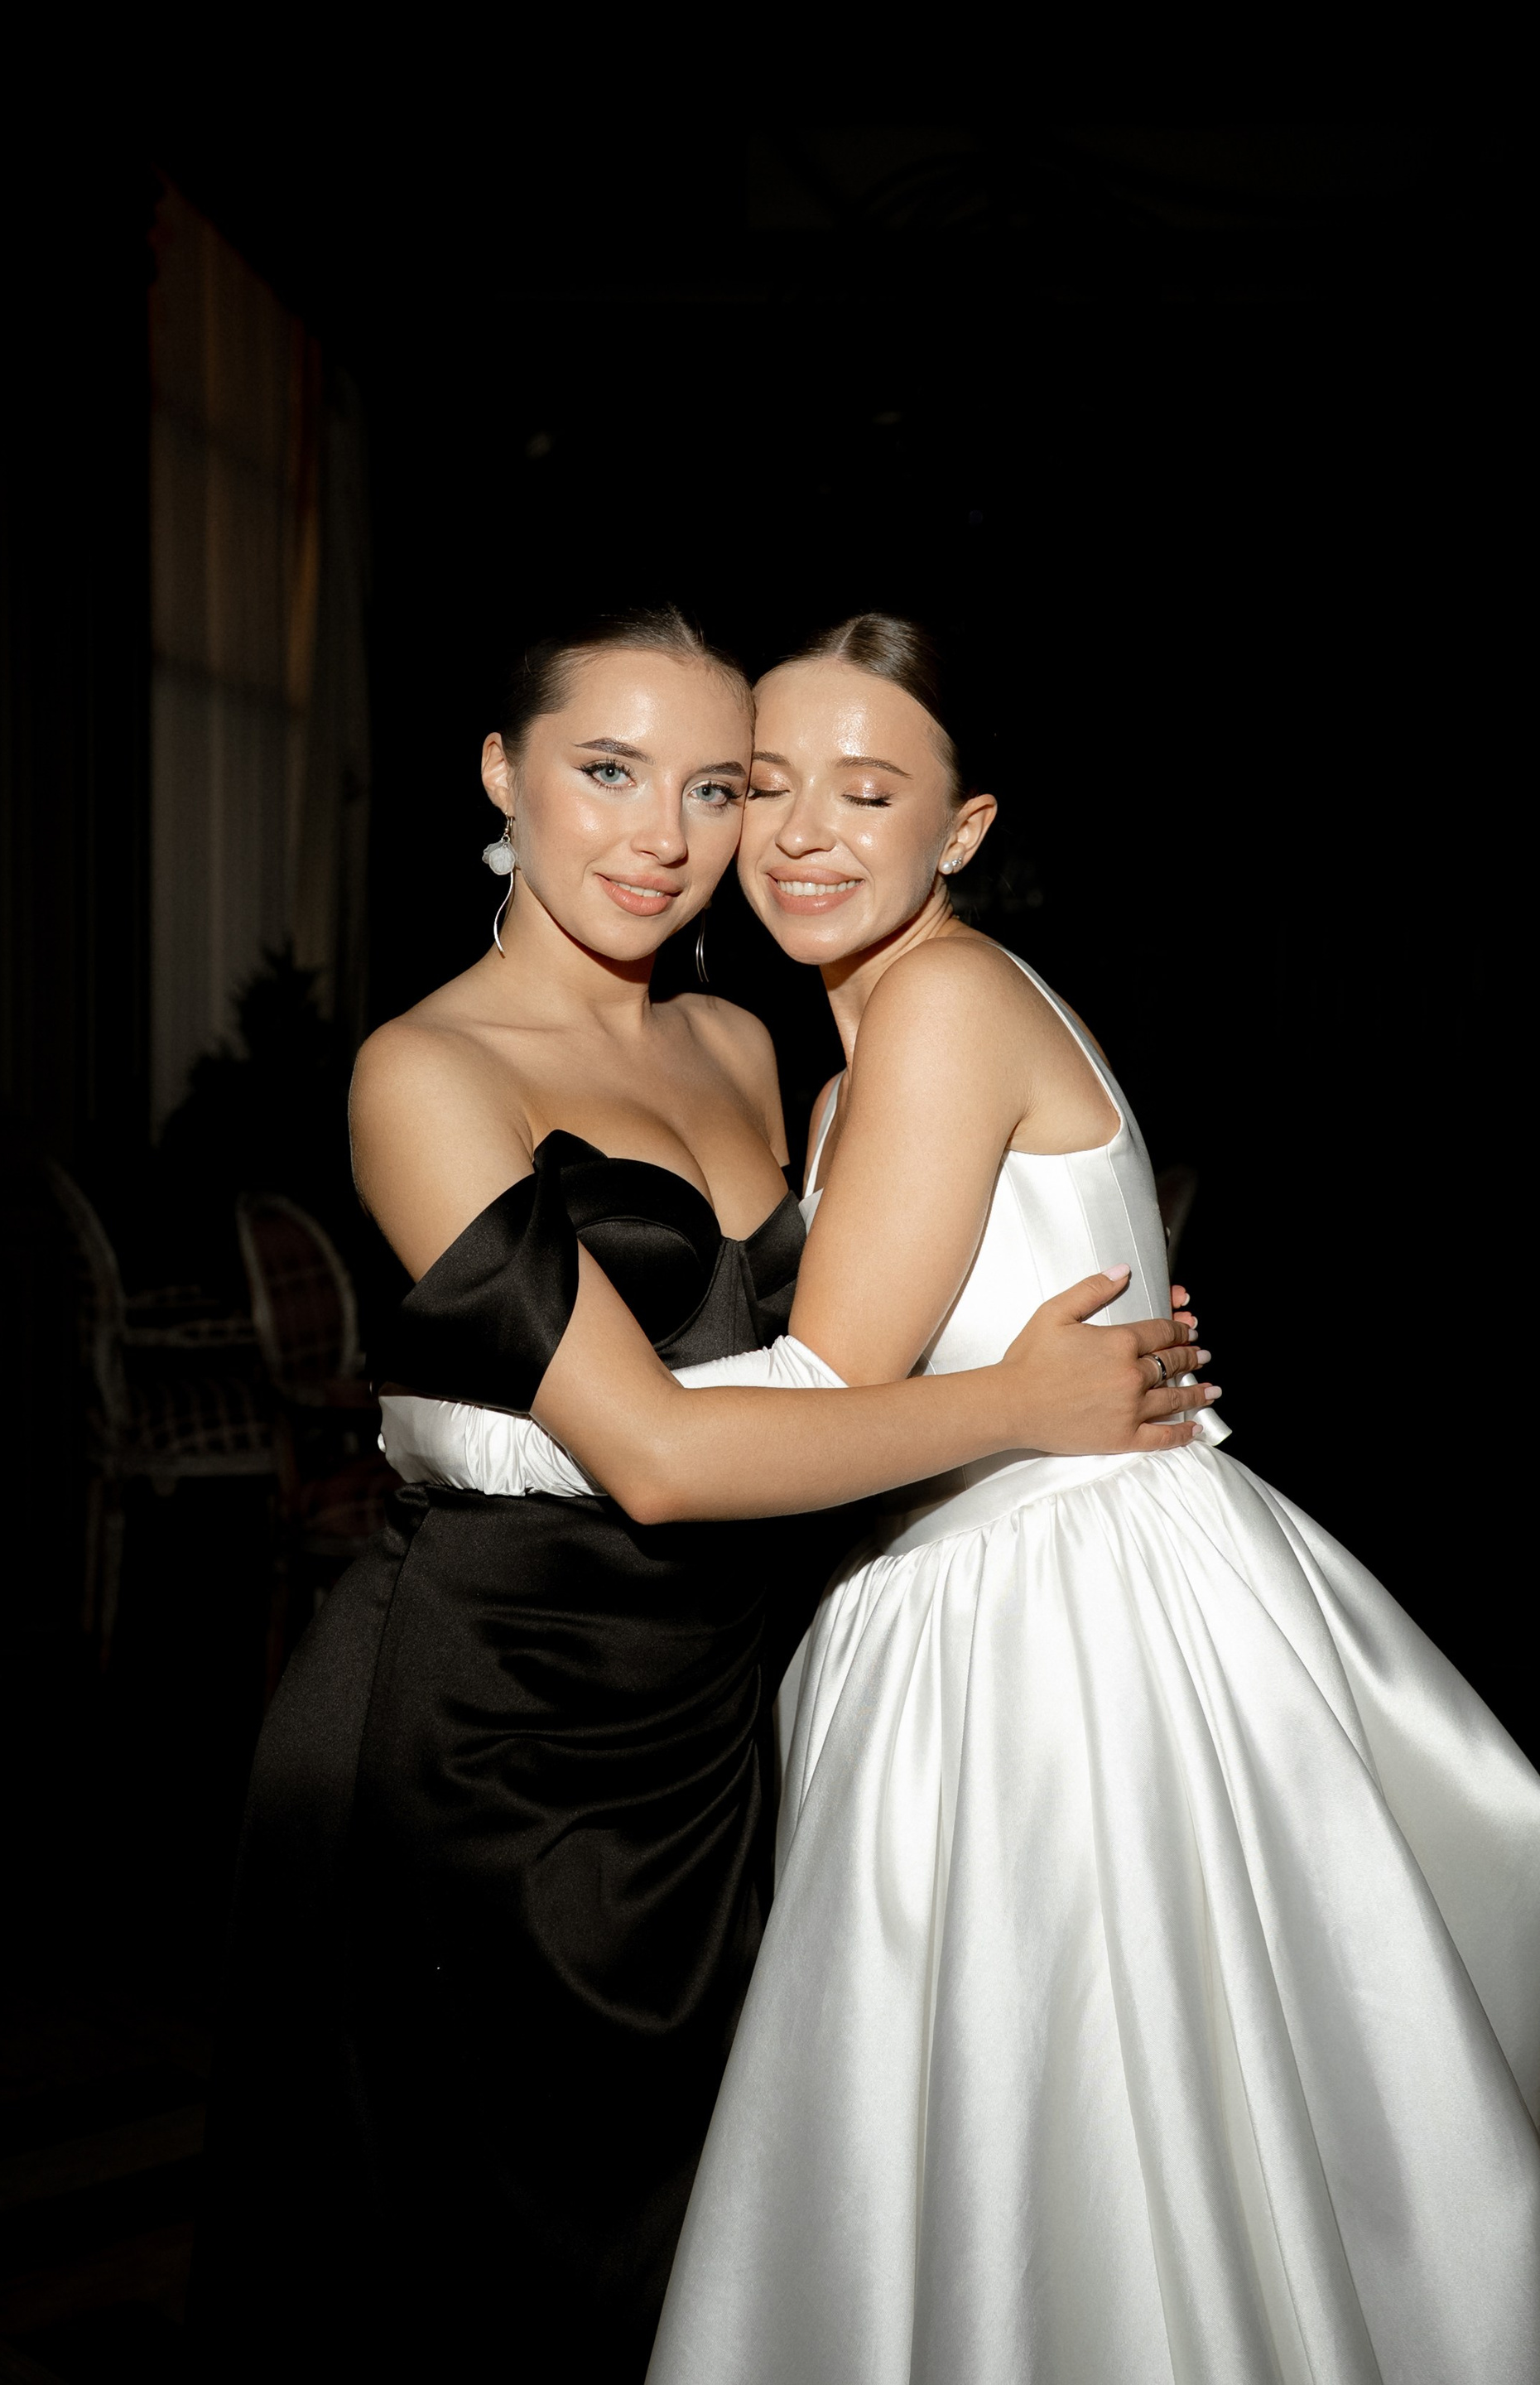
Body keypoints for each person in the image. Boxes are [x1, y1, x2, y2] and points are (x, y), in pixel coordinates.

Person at [189, 607, 1207, 2383]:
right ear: (501, 776)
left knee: (718, 2266)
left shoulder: (747, 1041)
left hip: (718, 1734)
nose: (664, 834)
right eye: (608, 770)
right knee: (477, 2278)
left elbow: (838, 1368)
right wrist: (1019, 1403)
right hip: (486, 1729)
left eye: (715, 786)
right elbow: (655, 1456)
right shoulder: (425, 1073)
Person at [647, 615, 1540, 2385]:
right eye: (764, 785)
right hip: (1009, 1574)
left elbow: (828, 1389)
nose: (803, 833)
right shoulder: (865, 1055)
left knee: (1074, 2142)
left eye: (867, 791)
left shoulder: (945, 1003)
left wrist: (516, 1423)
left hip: (1046, 1628)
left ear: (962, 827)